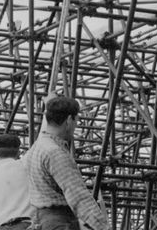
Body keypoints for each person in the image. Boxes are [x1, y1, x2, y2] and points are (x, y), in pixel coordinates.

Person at [26, 97, 109, 230]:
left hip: (43, 219)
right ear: (69, 120)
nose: (76, 125)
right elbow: (78, 196)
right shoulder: (55, 152)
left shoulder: (36, 148)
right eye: (77, 120)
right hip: (60, 222)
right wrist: (102, 226)